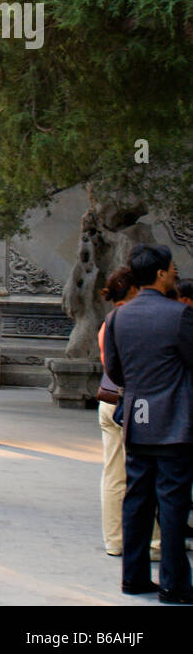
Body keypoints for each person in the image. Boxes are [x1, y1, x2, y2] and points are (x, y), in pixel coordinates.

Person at [103, 243, 193, 603]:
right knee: (172, 505)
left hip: (138, 421)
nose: (175, 273)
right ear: (159, 273)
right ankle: (174, 583)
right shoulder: (179, 316)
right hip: (175, 422)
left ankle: (134, 577)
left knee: (136, 500)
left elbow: (115, 370)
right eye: (172, 268)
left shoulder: (118, 317)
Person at [96, 266, 161, 556]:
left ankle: (114, 540)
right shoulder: (134, 320)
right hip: (134, 402)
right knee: (146, 472)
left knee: (113, 473)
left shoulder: (109, 321)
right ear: (133, 289)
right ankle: (155, 541)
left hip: (109, 401)